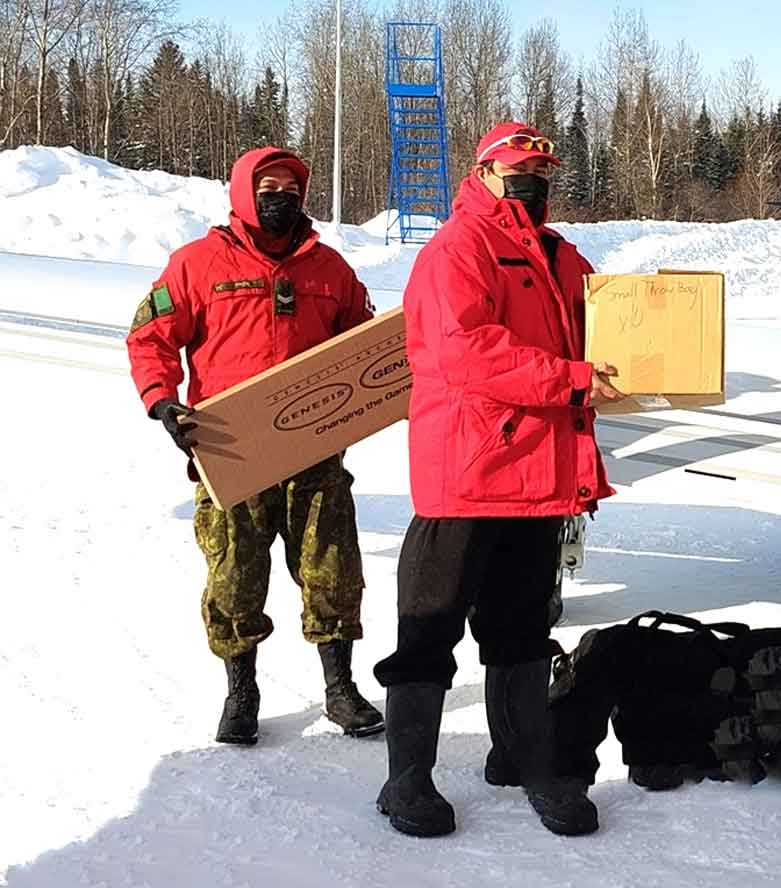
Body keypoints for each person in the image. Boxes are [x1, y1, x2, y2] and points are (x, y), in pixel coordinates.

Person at [372, 122, 624, 839]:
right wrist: (571, 381)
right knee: (429, 628)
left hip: (538, 477)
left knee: (520, 630)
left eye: (543, 168)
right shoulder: (459, 249)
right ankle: (407, 779)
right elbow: (467, 350)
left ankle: (521, 757)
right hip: (468, 473)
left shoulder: (556, 254)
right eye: (518, 167)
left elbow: (609, 319)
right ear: (483, 172)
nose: (533, 179)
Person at [126, 146, 384, 746]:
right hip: (230, 453)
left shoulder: (330, 270)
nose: (280, 198)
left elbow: (366, 344)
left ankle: (339, 687)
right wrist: (163, 402)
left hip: (316, 454)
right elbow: (149, 338)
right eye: (267, 187)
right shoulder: (197, 264)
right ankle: (241, 691)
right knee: (234, 577)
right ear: (244, 192)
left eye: (290, 189)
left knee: (334, 571)